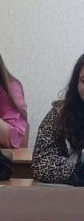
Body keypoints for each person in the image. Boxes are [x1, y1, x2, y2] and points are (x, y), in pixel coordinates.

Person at [31, 53, 84, 185]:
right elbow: (41, 163)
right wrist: (77, 167)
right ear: (76, 84)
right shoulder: (59, 113)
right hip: (70, 190)